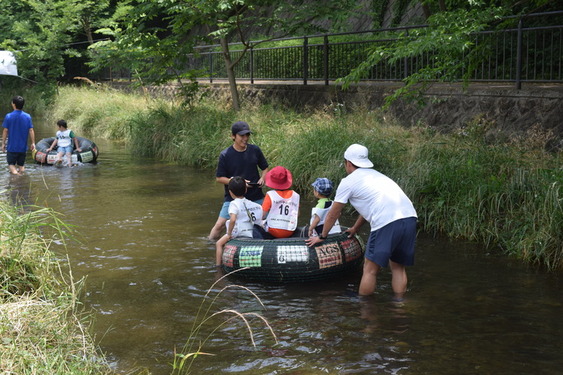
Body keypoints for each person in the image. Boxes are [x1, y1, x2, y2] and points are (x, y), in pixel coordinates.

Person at [306, 144, 417, 299]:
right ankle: (399, 305)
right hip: (410, 217)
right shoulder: (378, 176)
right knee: (398, 267)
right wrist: (355, 228)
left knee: (370, 269)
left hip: (387, 222)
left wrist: (322, 236)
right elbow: (370, 207)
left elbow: (333, 213)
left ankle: (365, 309)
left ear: (348, 163)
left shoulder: (349, 181)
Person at [209, 121, 269, 240]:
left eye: (247, 135)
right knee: (219, 225)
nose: (245, 138)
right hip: (233, 198)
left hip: (255, 196)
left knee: (265, 222)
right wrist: (239, 183)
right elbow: (219, 178)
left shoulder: (255, 150)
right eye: (242, 136)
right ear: (233, 136)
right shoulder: (225, 155)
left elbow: (265, 167)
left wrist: (263, 178)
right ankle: (210, 244)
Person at [215, 176, 263, 266]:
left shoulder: (234, 204)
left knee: (218, 243)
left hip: (239, 233)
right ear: (245, 190)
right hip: (253, 233)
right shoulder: (257, 206)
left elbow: (233, 219)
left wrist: (229, 234)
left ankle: (218, 267)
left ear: (230, 192)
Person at [256, 166, 300, 239]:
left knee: (257, 225)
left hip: (273, 231)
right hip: (290, 230)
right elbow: (297, 214)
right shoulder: (295, 195)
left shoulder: (270, 195)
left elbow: (262, 215)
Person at [1, 96, 36, 175]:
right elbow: (31, 130)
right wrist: (33, 143)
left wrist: (3, 143)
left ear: (13, 104)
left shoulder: (9, 116)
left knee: (11, 164)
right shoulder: (27, 116)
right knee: (21, 165)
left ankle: (17, 176)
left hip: (12, 147)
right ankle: (22, 180)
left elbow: (5, 130)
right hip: (23, 147)